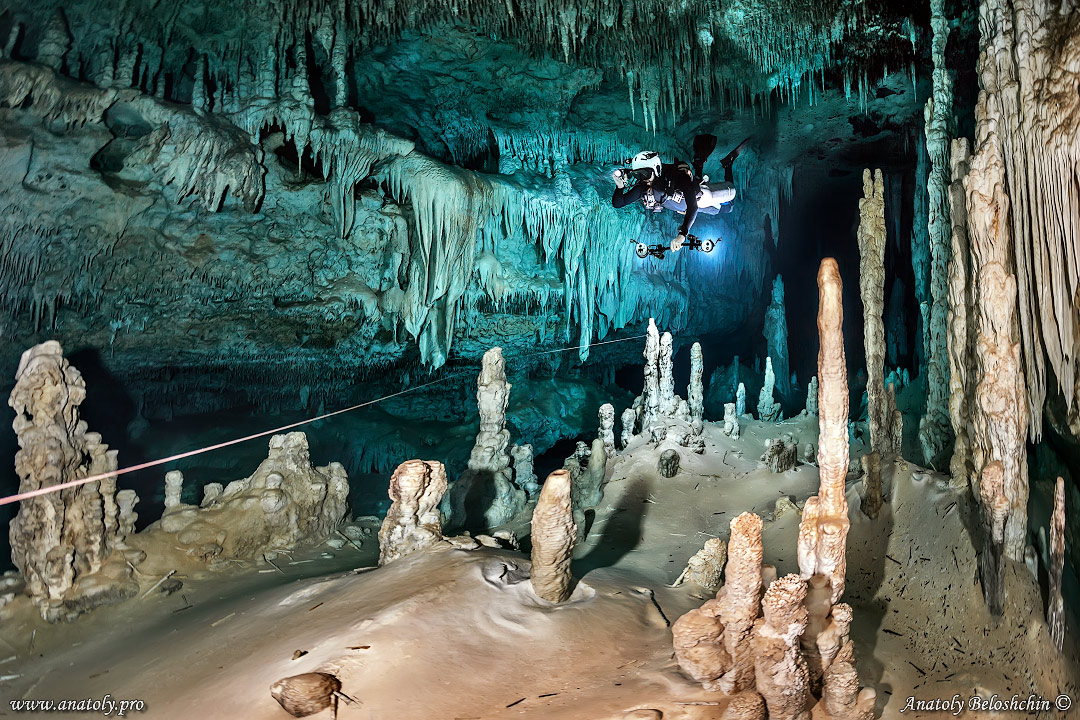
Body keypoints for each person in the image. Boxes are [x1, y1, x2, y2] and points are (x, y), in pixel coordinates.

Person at [611, 137, 750, 252]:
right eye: (637, 175)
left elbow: (693, 206)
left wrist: (682, 235)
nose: (642, 179)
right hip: (683, 206)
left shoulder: (677, 177)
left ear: (656, 168)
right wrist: (620, 187)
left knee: (729, 206)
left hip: (698, 199)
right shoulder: (643, 187)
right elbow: (619, 203)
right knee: (708, 200)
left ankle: (727, 164)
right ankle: (699, 164)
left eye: (644, 174)